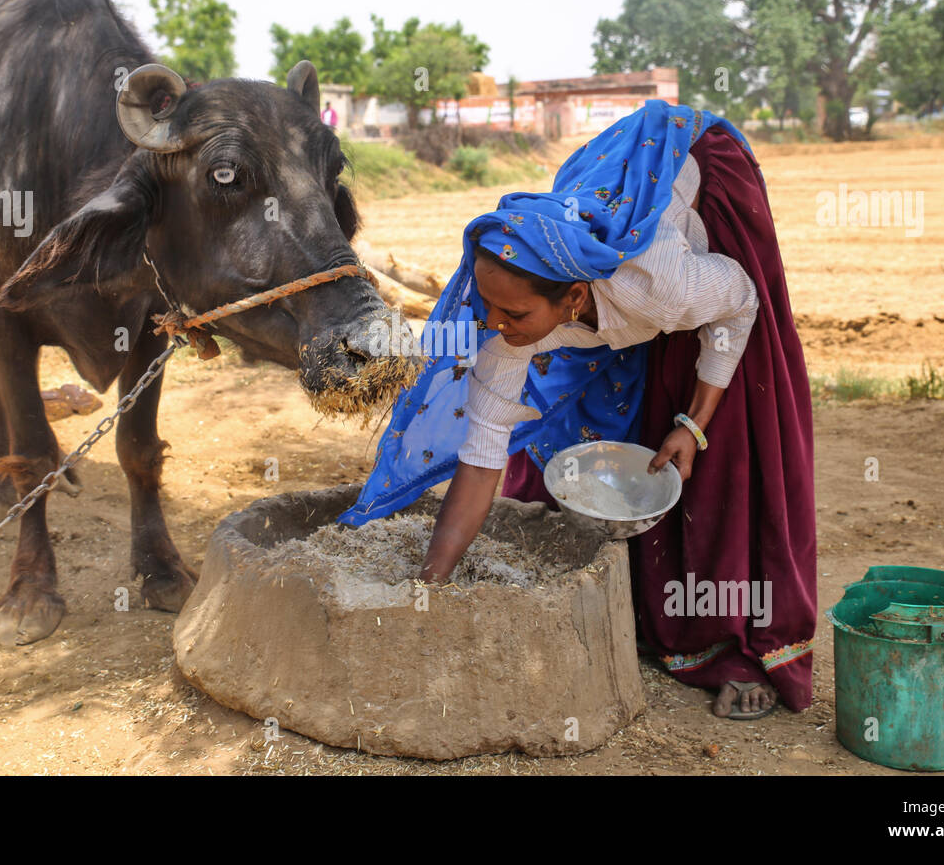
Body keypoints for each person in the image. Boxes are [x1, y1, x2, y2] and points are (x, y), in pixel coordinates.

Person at [340, 100, 816, 721]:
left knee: (727, 433)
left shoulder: (662, 287)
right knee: (630, 420)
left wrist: (694, 424)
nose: (494, 325)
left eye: (514, 315)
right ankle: (660, 613)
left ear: (572, 297)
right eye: (487, 307)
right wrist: (430, 583)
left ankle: (740, 644)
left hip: (694, 165)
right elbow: (481, 461)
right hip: (602, 183)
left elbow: (741, 302)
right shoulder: (503, 337)